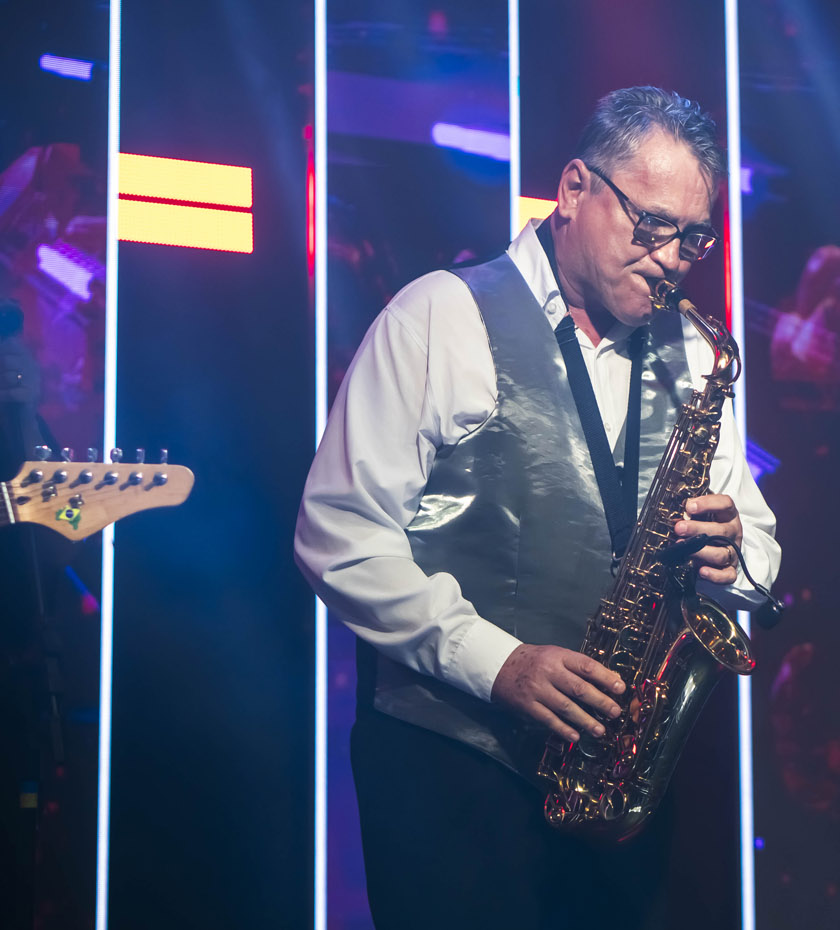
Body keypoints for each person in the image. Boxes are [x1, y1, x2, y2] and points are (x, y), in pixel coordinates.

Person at [294, 86, 780, 929]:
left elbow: (759, 547)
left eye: (693, 238)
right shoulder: (437, 314)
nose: (672, 258)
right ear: (573, 189)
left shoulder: (696, 353)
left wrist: (731, 552)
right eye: (651, 225)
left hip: (617, 780)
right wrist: (499, 662)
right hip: (453, 772)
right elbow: (337, 536)